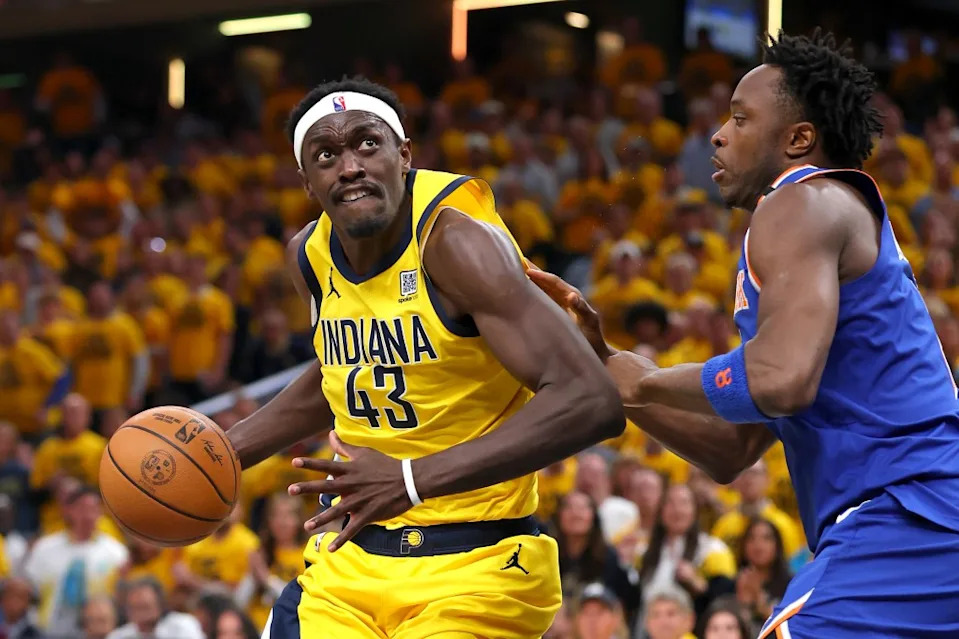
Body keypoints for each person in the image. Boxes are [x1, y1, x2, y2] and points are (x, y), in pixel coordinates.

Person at [529, 30, 959, 636]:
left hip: (909, 512)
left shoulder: (798, 204)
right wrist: (616, 380)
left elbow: (780, 381)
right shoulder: (818, 225)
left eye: (739, 117)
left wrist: (648, 380)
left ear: (798, 138)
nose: (717, 133)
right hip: (922, 522)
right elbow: (731, 451)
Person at [225, 77, 624, 638]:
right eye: (326, 154)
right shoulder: (308, 256)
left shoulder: (457, 243)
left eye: (368, 143)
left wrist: (410, 480)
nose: (351, 166)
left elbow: (591, 400)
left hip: (476, 563)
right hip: (353, 560)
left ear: (404, 155)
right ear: (308, 182)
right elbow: (341, 370)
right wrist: (226, 451)